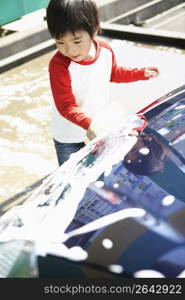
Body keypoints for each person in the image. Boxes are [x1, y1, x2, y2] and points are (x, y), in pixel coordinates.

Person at [46, 0, 159, 166]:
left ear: (93, 30)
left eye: (77, 41)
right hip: (68, 136)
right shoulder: (58, 65)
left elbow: (113, 73)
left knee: (99, 171)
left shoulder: (105, 50)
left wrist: (140, 73)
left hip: (98, 127)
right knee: (71, 177)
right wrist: (90, 124)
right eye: (60, 42)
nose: (70, 50)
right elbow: (65, 105)